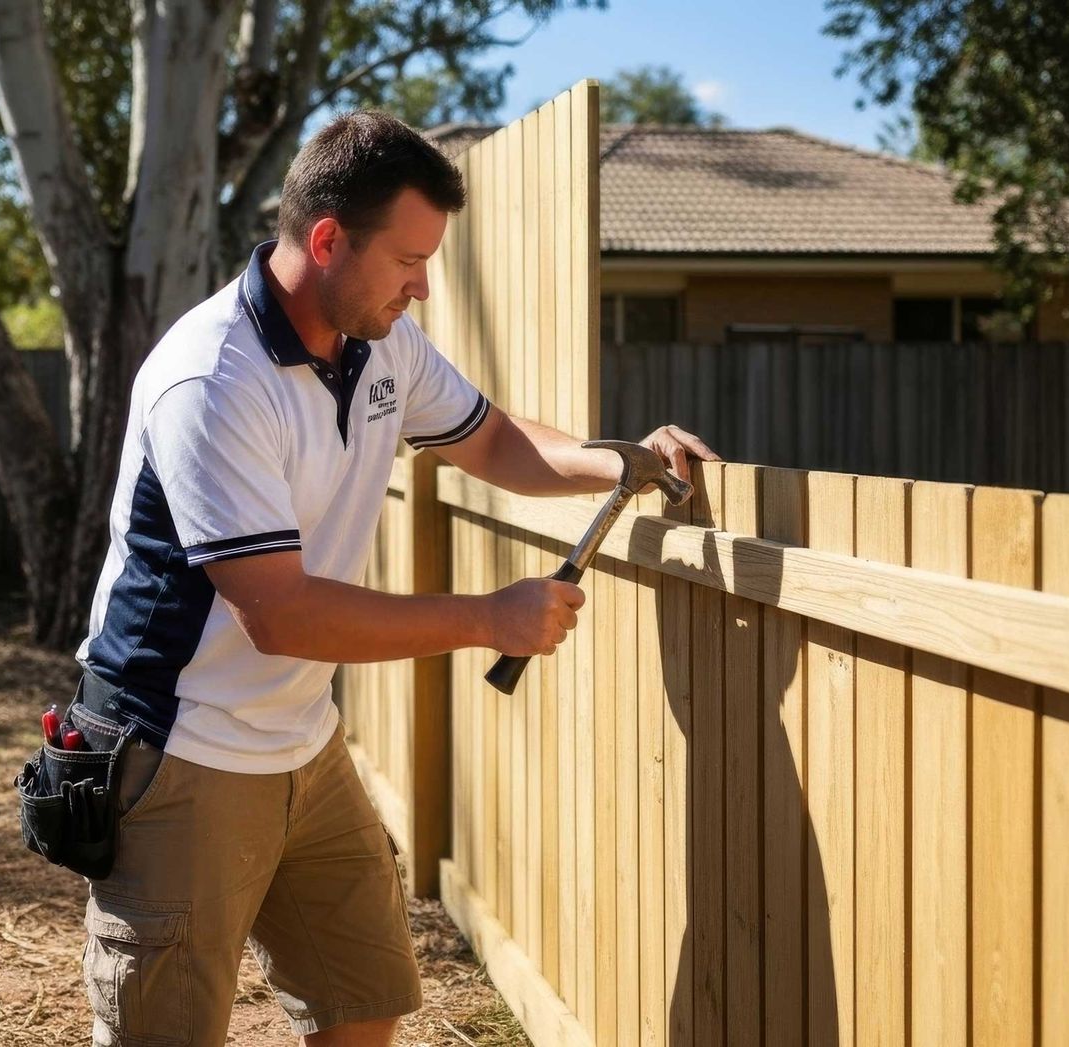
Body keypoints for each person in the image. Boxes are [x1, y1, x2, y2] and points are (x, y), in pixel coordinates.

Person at [69, 108, 718, 1046]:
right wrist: (490, 616)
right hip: (181, 751)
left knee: (362, 1001)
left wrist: (617, 460)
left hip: (299, 738)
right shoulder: (213, 379)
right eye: (408, 260)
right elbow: (282, 613)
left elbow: (489, 436)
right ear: (327, 239)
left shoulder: (379, 343)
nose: (422, 286)